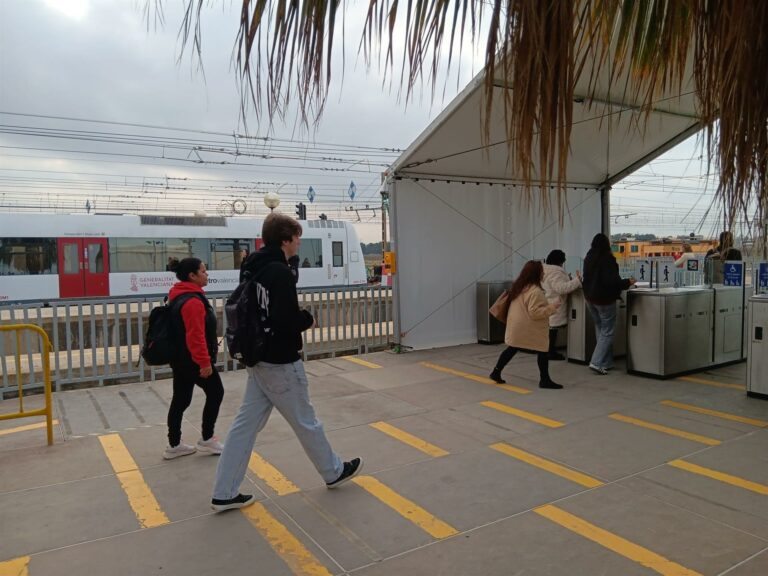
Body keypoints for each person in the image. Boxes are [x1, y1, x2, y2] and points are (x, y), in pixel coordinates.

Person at [211, 213, 362, 512]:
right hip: (280, 360)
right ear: (285, 240)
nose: (299, 243)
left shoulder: (252, 266)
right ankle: (333, 472)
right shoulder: (278, 272)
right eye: (297, 238)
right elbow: (285, 319)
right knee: (306, 421)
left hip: (258, 357)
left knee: (244, 427)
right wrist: (307, 319)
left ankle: (224, 492)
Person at [164, 258, 225, 459]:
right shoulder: (192, 302)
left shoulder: (177, 295)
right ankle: (207, 438)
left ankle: (174, 445)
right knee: (216, 392)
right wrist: (204, 363)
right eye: (204, 271)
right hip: (193, 360)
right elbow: (195, 336)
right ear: (192, 275)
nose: (207, 274)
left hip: (180, 358)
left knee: (181, 400)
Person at [489, 260, 563, 389]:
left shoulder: (519, 287)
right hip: (530, 328)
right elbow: (535, 313)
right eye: (541, 271)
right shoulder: (535, 291)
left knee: (512, 348)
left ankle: (496, 372)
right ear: (536, 273)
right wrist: (553, 307)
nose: (543, 273)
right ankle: (544, 380)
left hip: (517, 326)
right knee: (542, 350)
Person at [582, 233, 636, 375]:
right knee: (607, 331)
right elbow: (611, 281)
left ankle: (605, 362)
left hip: (590, 299)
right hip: (604, 300)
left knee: (600, 328)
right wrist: (627, 282)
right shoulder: (607, 259)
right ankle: (596, 362)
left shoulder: (589, 257)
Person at [542, 250, 582, 361]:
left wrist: (567, 279)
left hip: (548, 301)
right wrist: (577, 280)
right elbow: (561, 288)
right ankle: (550, 352)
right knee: (552, 330)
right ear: (560, 261)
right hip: (556, 303)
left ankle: (548, 351)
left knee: (550, 329)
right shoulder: (556, 272)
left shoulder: (545, 270)